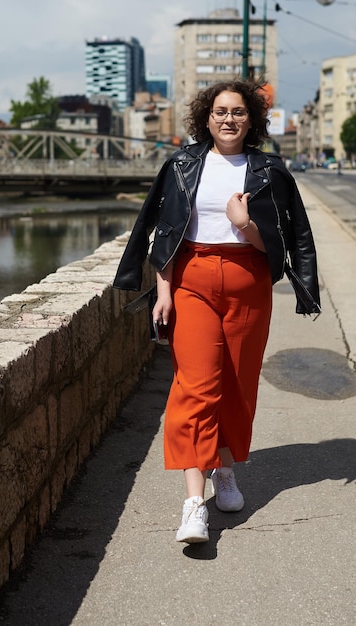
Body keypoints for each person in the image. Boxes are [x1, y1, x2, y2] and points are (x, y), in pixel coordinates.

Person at [113, 79, 321, 544]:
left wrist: (245, 226)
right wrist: (163, 290)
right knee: (196, 385)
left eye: (239, 112)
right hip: (192, 280)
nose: (229, 119)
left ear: (253, 120)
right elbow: (163, 231)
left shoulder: (270, 170)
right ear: (206, 118)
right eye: (221, 111)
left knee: (237, 385)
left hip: (249, 284)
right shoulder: (183, 163)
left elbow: (286, 243)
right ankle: (193, 503)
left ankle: (225, 470)